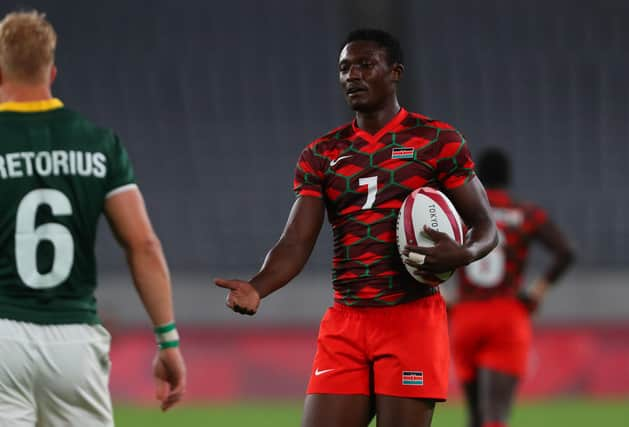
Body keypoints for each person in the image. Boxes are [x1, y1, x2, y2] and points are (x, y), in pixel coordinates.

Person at [215, 29, 497, 427]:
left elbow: (486, 226)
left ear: (395, 72)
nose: (353, 75)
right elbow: (296, 240)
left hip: (411, 317)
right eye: (345, 68)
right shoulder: (322, 153)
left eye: (366, 65)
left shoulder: (436, 140)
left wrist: (463, 252)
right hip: (346, 321)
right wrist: (257, 286)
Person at [0, 10, 186, 426]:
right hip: (73, 341)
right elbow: (143, 244)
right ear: (52, 72)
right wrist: (167, 339)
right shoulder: (99, 145)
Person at [450, 147, 575, 427]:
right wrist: (537, 290)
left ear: (478, 177)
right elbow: (566, 252)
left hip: (465, 315)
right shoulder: (525, 213)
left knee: (476, 415)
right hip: (507, 313)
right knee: (496, 415)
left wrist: (441, 293)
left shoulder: (459, 214)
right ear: (508, 177)